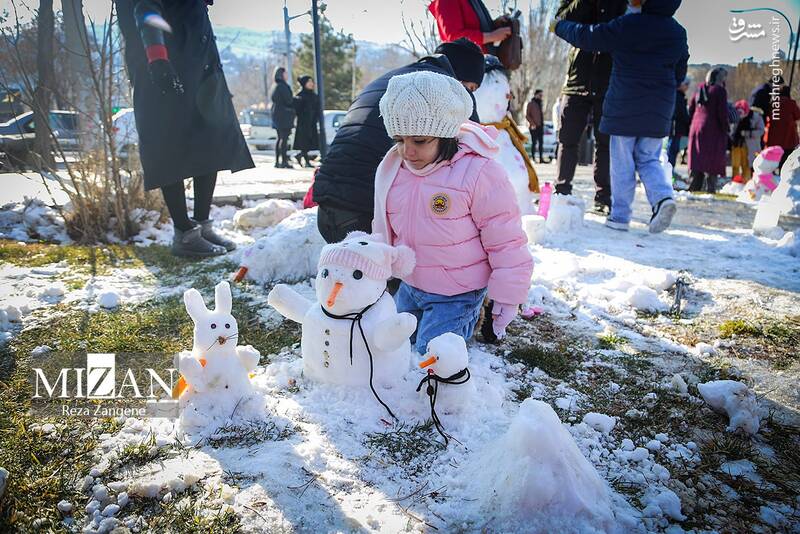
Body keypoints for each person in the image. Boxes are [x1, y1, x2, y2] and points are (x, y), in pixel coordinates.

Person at [372, 71, 533, 351]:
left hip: (457, 292)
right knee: (389, 347)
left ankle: (470, 317)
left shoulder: (478, 172)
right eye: (399, 139)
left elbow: (506, 239)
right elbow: (382, 227)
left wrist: (507, 296)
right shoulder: (393, 170)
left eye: (420, 141)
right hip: (411, 286)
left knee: (431, 356)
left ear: (445, 134)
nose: (407, 151)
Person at [313, 38, 485, 244]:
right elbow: (471, 160)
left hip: (325, 205)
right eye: (472, 88)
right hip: (368, 212)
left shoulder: (391, 79)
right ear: (462, 79)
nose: (470, 95)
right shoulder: (449, 94)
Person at [117, 0, 252, 257]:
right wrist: (158, 60)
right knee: (171, 150)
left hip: (199, 74)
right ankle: (185, 234)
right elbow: (146, 11)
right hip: (168, 74)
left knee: (210, 145)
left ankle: (201, 225)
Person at [554, 0, 688, 234]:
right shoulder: (677, 32)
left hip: (624, 105)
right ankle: (663, 198)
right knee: (648, 160)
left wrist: (560, 27)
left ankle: (620, 216)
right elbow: (680, 73)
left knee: (622, 163)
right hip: (659, 109)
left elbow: (590, 36)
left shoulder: (628, 25)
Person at [553, 0, 628, 215]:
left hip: (610, 81)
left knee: (605, 143)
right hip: (577, 80)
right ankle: (562, 190)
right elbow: (561, 22)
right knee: (567, 139)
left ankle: (604, 197)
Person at [687, 67, 729, 193]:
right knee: (713, 158)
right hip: (713, 129)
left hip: (696, 127)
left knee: (697, 158)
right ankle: (710, 188)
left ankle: (695, 186)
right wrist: (726, 128)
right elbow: (722, 113)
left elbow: (690, 109)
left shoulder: (699, 90)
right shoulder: (719, 91)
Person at [428, 0, 512, 53]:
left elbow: (474, 26)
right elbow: (454, 37)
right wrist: (492, 36)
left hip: (482, 65)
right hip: (467, 72)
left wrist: (494, 24)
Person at [763, 85, 800, 170]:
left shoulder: (773, 104)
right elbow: (798, 115)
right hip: (788, 136)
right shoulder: (791, 103)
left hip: (774, 136)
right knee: (786, 158)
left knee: (774, 157)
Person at [730, 100, 764, 182]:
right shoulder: (734, 116)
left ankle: (746, 182)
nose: (741, 115)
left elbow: (761, 131)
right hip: (736, 144)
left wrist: (747, 133)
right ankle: (735, 182)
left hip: (749, 146)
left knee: (746, 165)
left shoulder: (756, 117)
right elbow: (731, 129)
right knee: (735, 165)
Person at [293, 76, 320, 168]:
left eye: (312, 82)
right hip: (303, 123)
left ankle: (300, 156)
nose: (311, 84)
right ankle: (305, 160)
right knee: (304, 142)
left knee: (309, 142)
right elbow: (296, 109)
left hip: (312, 122)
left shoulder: (314, 95)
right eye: (309, 82)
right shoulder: (300, 95)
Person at [270, 67, 295, 169]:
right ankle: (284, 161)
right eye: (285, 73)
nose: (287, 75)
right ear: (282, 74)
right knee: (284, 139)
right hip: (284, 115)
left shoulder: (275, 86)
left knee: (279, 138)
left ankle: (277, 161)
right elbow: (289, 100)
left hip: (276, 114)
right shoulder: (283, 86)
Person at [668, 77, 690, 170]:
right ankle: (669, 173)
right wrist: (689, 122)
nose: (687, 87)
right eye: (686, 85)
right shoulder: (678, 97)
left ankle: (670, 172)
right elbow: (682, 115)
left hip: (675, 130)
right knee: (672, 152)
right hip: (677, 130)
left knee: (672, 152)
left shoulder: (676, 95)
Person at [526, 89, 545, 163]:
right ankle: (533, 158)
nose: (541, 97)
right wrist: (532, 123)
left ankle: (541, 159)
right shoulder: (531, 103)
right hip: (533, 127)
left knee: (541, 143)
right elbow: (527, 115)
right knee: (534, 142)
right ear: (536, 95)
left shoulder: (540, 103)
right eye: (540, 95)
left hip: (540, 126)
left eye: (542, 95)